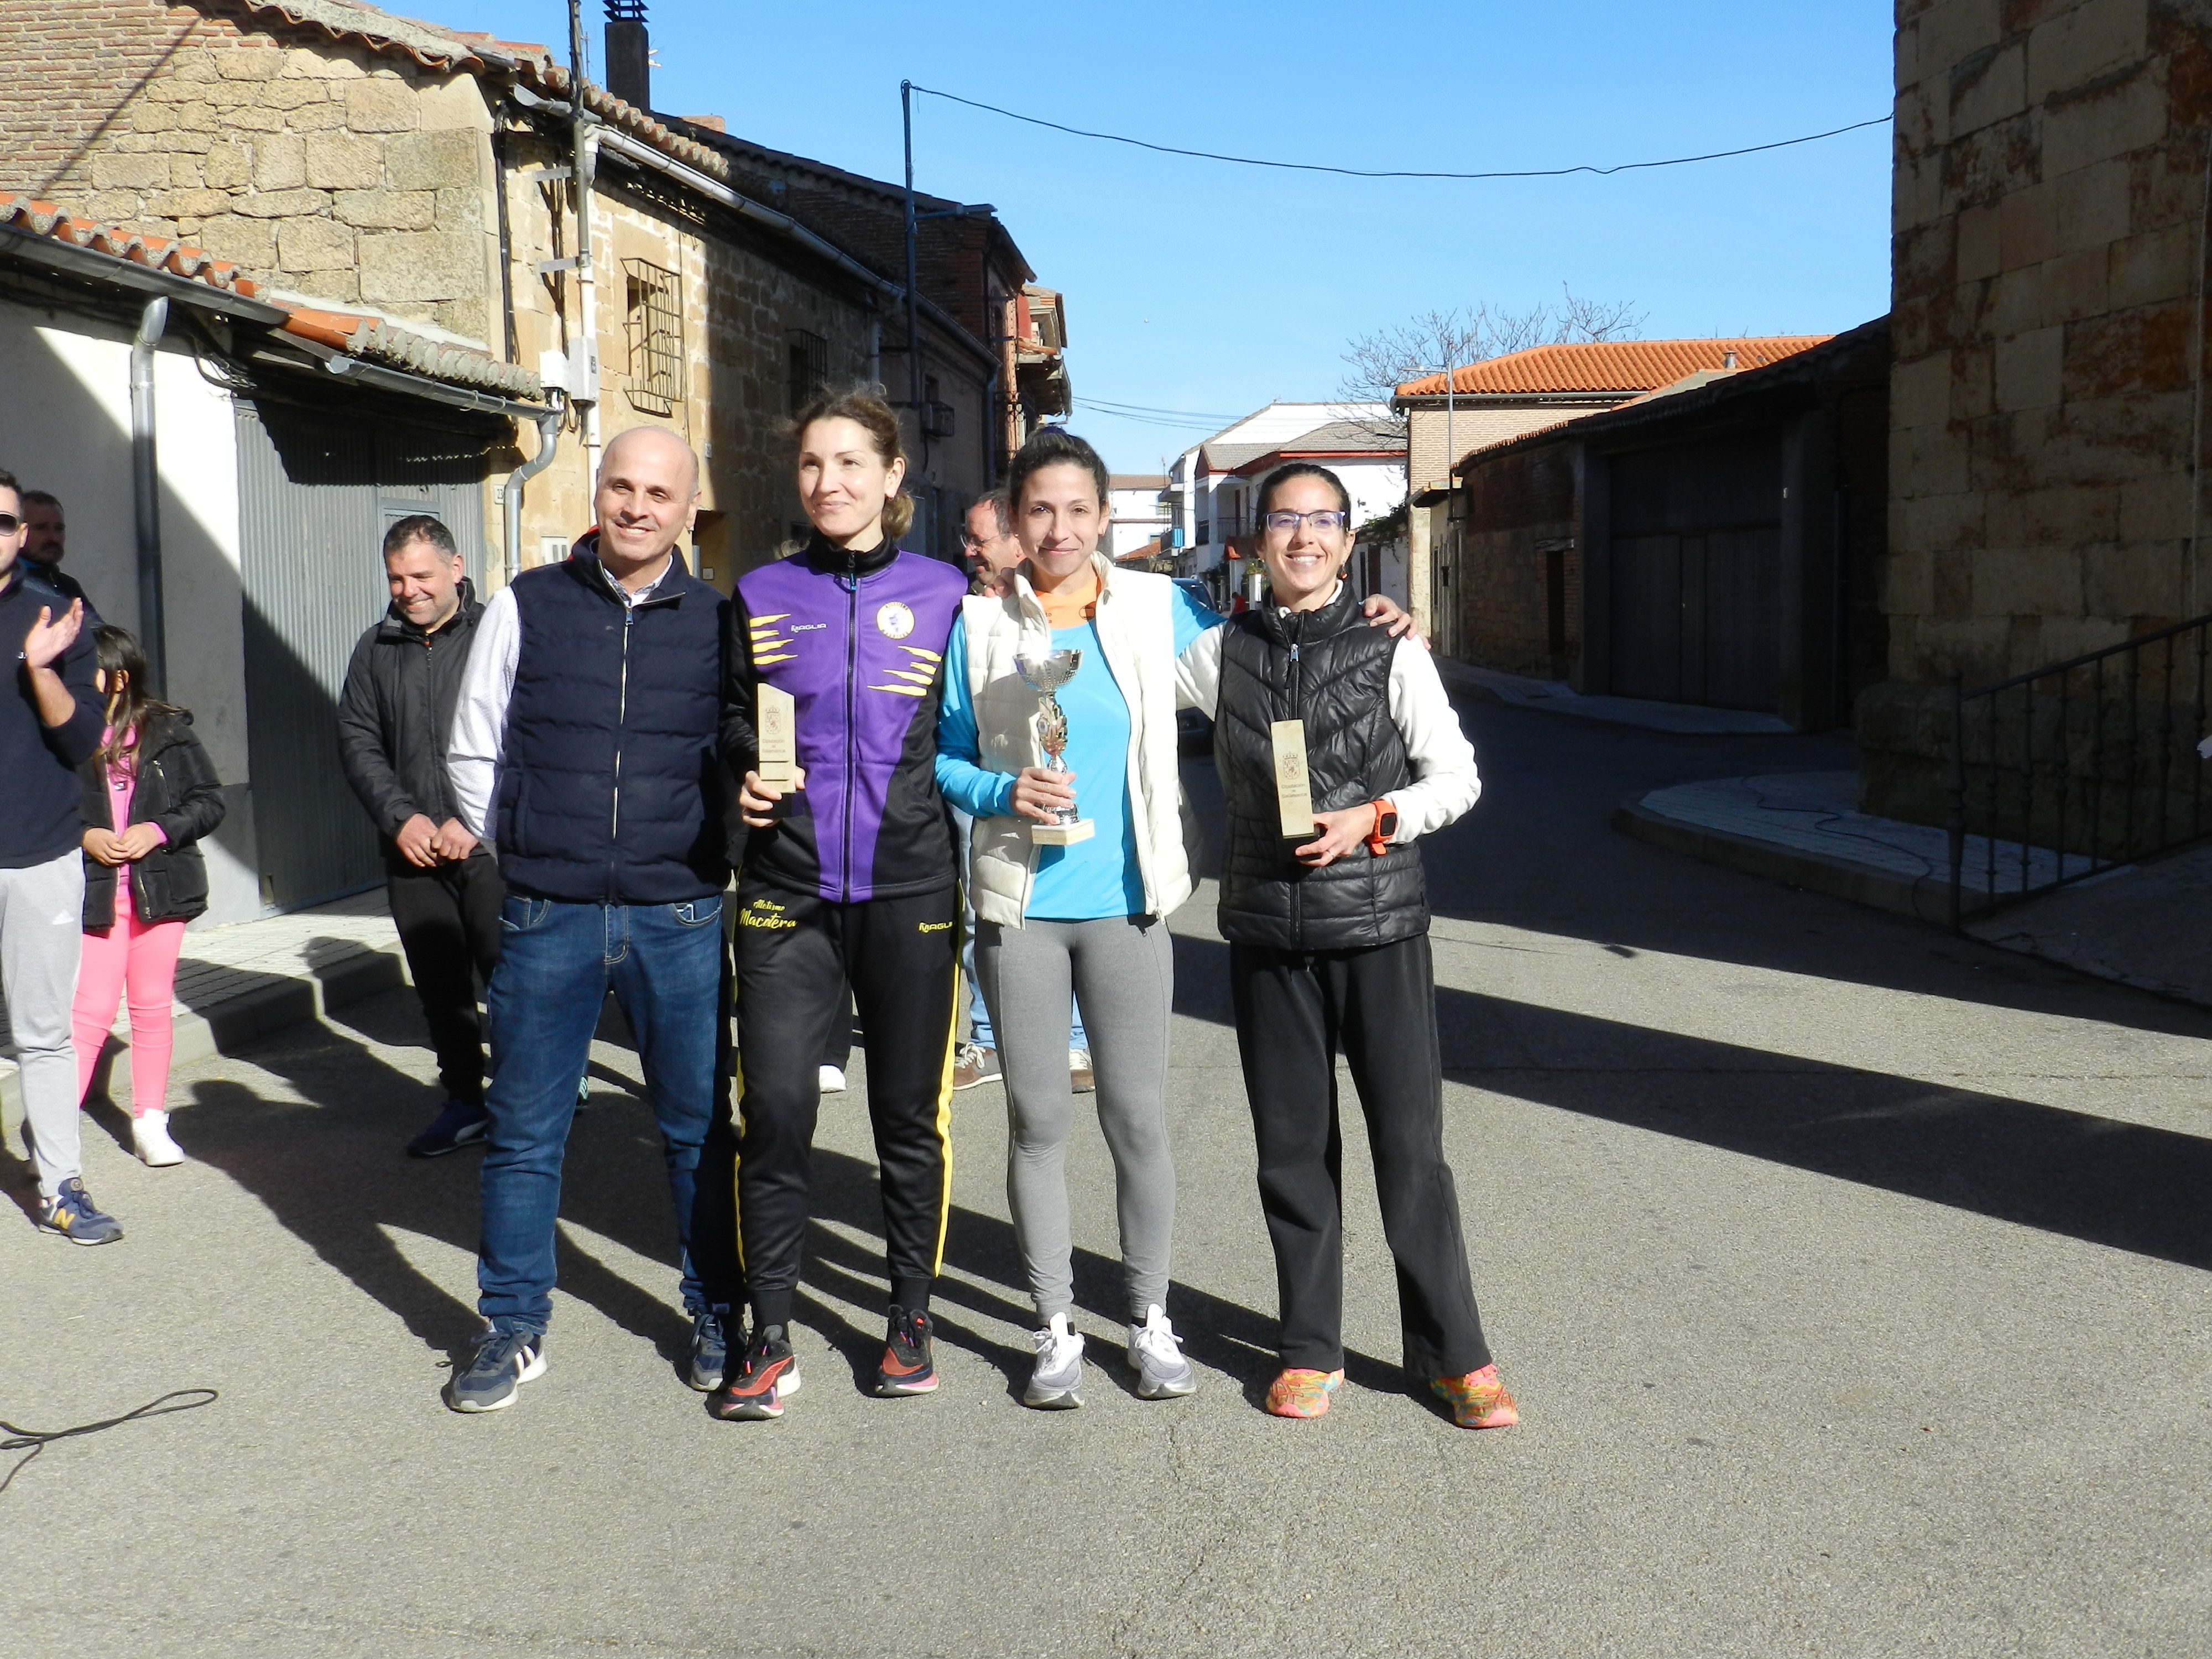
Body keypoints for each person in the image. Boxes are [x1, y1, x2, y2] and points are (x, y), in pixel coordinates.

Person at [1175, 461, 1515, 1430]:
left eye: (1322, 522)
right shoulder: (1216, 655)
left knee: (1411, 1151)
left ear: (1347, 537)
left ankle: (1454, 1355)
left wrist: (1374, 818)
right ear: (1256, 536)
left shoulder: (1390, 649)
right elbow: (1116, 685)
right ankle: (1308, 1347)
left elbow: (1458, 778)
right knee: (1291, 1152)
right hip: (1268, 932)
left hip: (1379, 929)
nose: (1304, 539)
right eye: (1285, 521)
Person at [440, 426, 733, 1413]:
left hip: (678, 911)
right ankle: (513, 1325)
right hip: (548, 910)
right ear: (597, 493)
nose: (638, 507)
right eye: (622, 487)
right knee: (526, 1132)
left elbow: (743, 755)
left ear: (689, 510)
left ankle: (714, 1309)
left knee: (696, 1130)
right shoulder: (528, 604)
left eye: (660, 493)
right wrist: (515, 855)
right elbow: (474, 742)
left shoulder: (720, 622)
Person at [935, 429, 1214, 1409]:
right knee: (1039, 1122)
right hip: (1022, 912)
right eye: (1039, 510)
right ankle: (1053, 1327)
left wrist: (1359, 626)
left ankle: (1147, 1318)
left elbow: (1258, 679)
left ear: (1106, 519)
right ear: (1013, 522)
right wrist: (1003, 791)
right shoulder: (975, 626)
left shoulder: (1154, 606)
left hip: (1128, 908)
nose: (1058, 528)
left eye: (1078, 510)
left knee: (1138, 1120)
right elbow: (944, 757)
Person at [712, 390, 967, 1420]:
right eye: (814, 464)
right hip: (787, 890)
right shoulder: (762, 591)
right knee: (772, 1112)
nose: (830, 482)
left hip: (911, 887)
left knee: (909, 1116)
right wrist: (743, 770)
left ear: (893, 476)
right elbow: (734, 718)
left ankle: (909, 1317)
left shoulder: (948, 592)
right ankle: (767, 1332)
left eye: (852, 463)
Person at [336, 514, 505, 1158]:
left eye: (422, 576)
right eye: (397, 578)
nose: (408, 591)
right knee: (439, 986)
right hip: (413, 852)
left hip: (489, 846)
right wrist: (399, 817)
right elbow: (357, 740)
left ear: (456, 569)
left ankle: (526, 1098)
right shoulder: (374, 648)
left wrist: (475, 819)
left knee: (510, 977)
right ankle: (465, 1099)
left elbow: (524, 731)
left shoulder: (497, 636)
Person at [0, 468, 113, 1241]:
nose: (1, 535)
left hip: (38, 854)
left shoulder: (56, 615)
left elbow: (82, 741)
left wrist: (39, 669)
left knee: (43, 1031)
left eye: (8, 523)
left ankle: (61, 1186)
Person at [951, 486, 1093, 1095]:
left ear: (1017, 540)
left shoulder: (1077, 610)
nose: (968, 550)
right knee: (984, 906)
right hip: (985, 787)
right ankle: (987, 1039)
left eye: (978, 539)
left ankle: (1075, 1041)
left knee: (1069, 904)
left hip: (1059, 786)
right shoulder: (960, 612)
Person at [69, 625, 224, 1166]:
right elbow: (43, 810)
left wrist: (156, 831)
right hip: (99, 896)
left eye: (84, 667)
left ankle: (150, 1121)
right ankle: (57, 1130)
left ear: (119, 678)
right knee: (89, 1010)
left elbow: (209, 801)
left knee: (152, 1007)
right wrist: (86, 836)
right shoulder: (68, 735)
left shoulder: (168, 732)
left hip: (161, 892)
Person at [18, 489, 99, 625]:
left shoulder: (68, 585)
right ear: (19, 532)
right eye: (41, 528)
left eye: (59, 529)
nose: (53, 538)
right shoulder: (10, 583)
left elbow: (99, 634)